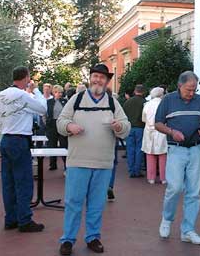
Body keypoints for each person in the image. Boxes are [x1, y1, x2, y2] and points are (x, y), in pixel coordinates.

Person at [56, 64, 130, 255]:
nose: (98, 80)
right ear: (91, 78)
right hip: (78, 161)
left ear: (107, 81)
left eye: (102, 77)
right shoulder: (77, 98)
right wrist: (70, 126)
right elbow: (60, 121)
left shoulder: (113, 102)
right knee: (73, 202)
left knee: (97, 203)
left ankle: (93, 237)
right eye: (95, 76)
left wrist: (118, 127)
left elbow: (126, 126)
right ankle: (68, 240)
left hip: (103, 162)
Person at [155, 71, 200, 245]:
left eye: (194, 89)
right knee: (175, 187)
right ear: (180, 86)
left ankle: (188, 230)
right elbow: (157, 123)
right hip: (176, 149)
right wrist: (172, 132)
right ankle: (167, 219)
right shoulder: (168, 100)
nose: (192, 93)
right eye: (189, 89)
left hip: (196, 149)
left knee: (194, 192)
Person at [0, 66, 47, 233]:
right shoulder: (23, 95)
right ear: (26, 78)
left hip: (6, 139)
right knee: (23, 182)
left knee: (8, 182)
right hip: (19, 140)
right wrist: (36, 90)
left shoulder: (1, 95)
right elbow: (43, 108)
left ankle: (11, 219)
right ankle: (24, 220)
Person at [142, 87, 168, 184]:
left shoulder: (147, 104)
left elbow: (143, 119)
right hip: (161, 130)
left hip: (149, 130)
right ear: (162, 94)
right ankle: (163, 178)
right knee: (163, 155)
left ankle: (151, 178)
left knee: (150, 154)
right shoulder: (164, 104)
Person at [123, 84, 146, 178]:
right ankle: (137, 170)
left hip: (129, 128)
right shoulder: (145, 102)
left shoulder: (128, 102)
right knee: (139, 149)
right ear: (143, 91)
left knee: (130, 149)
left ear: (135, 91)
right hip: (140, 128)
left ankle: (131, 169)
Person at [46, 85, 68, 171]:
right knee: (52, 145)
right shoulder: (49, 102)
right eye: (58, 92)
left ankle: (66, 165)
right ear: (54, 93)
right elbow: (45, 113)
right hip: (52, 125)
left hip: (61, 124)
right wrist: (47, 124)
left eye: (61, 92)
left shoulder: (65, 101)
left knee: (64, 144)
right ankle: (53, 164)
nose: (60, 94)